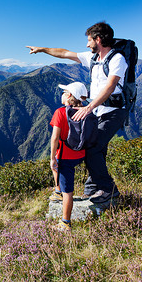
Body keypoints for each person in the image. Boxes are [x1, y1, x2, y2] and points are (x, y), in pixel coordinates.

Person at [26, 21, 127, 203]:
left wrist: (89, 107)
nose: (87, 45)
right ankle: (92, 187)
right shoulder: (94, 58)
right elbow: (64, 53)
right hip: (97, 112)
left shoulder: (117, 59)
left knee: (93, 148)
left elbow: (111, 86)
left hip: (113, 112)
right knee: (96, 147)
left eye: (89, 40)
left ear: (98, 39)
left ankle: (108, 189)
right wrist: (42, 49)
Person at [50, 82, 88, 231]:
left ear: (70, 96)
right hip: (81, 153)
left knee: (68, 192)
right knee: (57, 167)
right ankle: (58, 190)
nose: (62, 94)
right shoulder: (86, 111)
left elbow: (55, 137)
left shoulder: (60, 112)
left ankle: (65, 223)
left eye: (65, 91)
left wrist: (52, 157)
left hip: (65, 156)